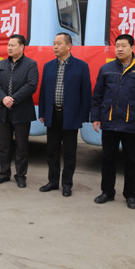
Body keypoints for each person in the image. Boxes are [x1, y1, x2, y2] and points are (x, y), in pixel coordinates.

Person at [91, 34, 135, 209]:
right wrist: (96, 117)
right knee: (108, 159)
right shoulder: (106, 69)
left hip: (131, 122)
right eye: (117, 46)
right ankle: (107, 192)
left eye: (124, 46)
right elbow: (97, 95)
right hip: (109, 122)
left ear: (132, 48)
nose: (120, 49)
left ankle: (130, 195)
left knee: (131, 161)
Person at [38, 33, 91, 197]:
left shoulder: (81, 66)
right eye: (54, 43)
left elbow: (86, 93)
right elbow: (43, 92)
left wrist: (83, 115)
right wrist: (42, 112)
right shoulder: (48, 66)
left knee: (69, 153)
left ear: (69, 46)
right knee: (52, 151)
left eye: (59, 43)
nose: (55, 46)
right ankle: (53, 181)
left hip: (71, 116)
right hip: (52, 114)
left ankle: (67, 184)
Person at [0, 34, 39, 188]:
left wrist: (13, 99)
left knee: (21, 146)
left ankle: (20, 176)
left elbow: (31, 85)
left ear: (22, 47)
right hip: (3, 111)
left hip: (22, 111)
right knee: (3, 146)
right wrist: (3, 98)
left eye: (12, 45)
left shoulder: (30, 64)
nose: (9, 48)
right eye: (8, 45)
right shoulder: (2, 64)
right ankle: (4, 173)